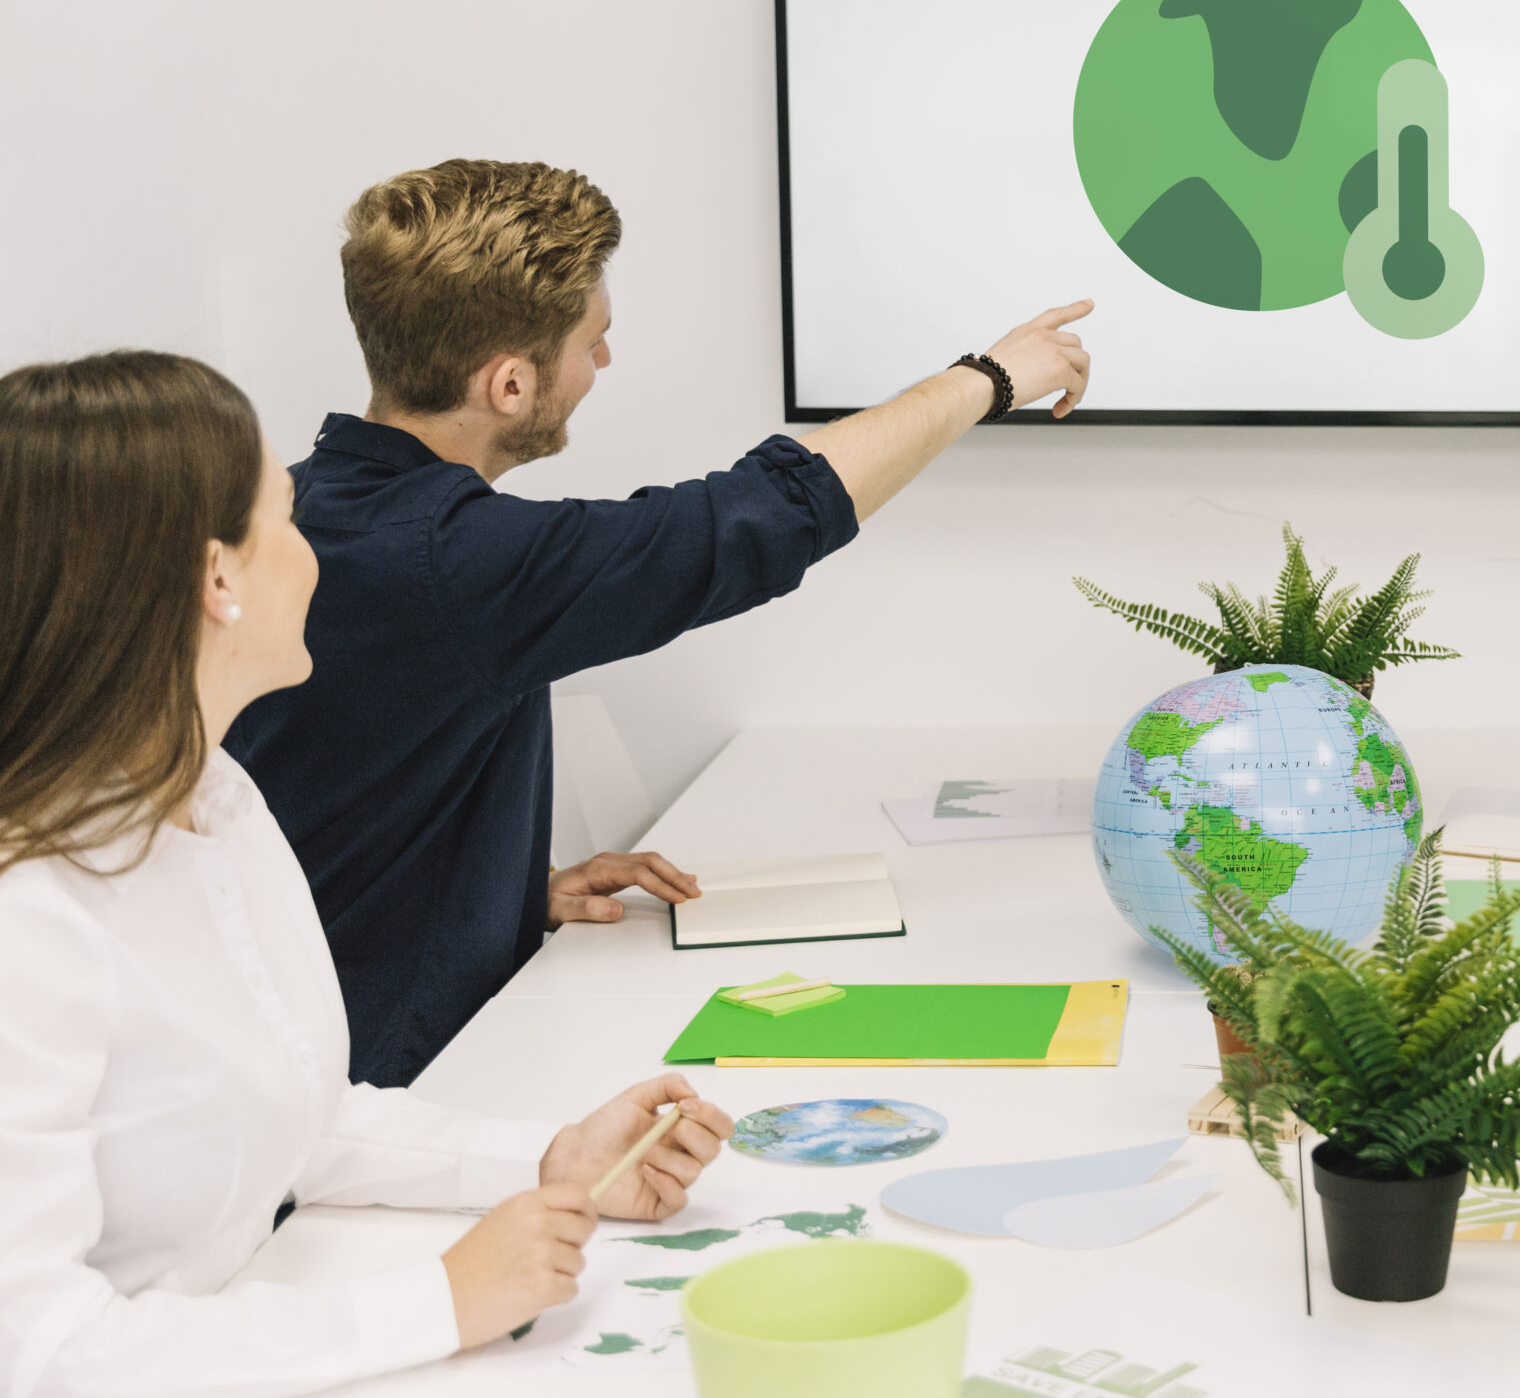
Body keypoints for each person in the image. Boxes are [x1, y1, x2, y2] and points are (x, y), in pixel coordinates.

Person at [0, 350, 741, 1398]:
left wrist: (549, 1160)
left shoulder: (217, 797)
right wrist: (436, 1301)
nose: (316, 556)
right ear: (219, 577)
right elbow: (36, 1361)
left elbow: (299, 1110)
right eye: (287, 521)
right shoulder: (30, 915)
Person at [227, 158, 1091, 1086]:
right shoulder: (451, 562)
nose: (603, 362)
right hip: (376, 1102)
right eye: (591, 341)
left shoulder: (298, 509)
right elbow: (759, 518)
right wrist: (990, 378)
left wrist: (503, 897)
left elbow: (327, 809)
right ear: (510, 385)